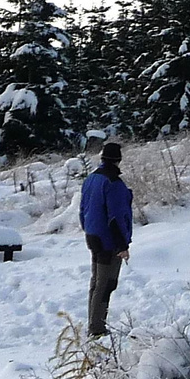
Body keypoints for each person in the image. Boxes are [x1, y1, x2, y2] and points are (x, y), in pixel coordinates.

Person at [79, 142, 134, 337]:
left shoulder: (90, 179)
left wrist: (87, 229)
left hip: (92, 235)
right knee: (106, 283)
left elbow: (82, 209)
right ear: (118, 160)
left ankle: (94, 324)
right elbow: (116, 217)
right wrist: (122, 245)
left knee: (96, 282)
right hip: (109, 240)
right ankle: (97, 329)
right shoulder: (114, 183)